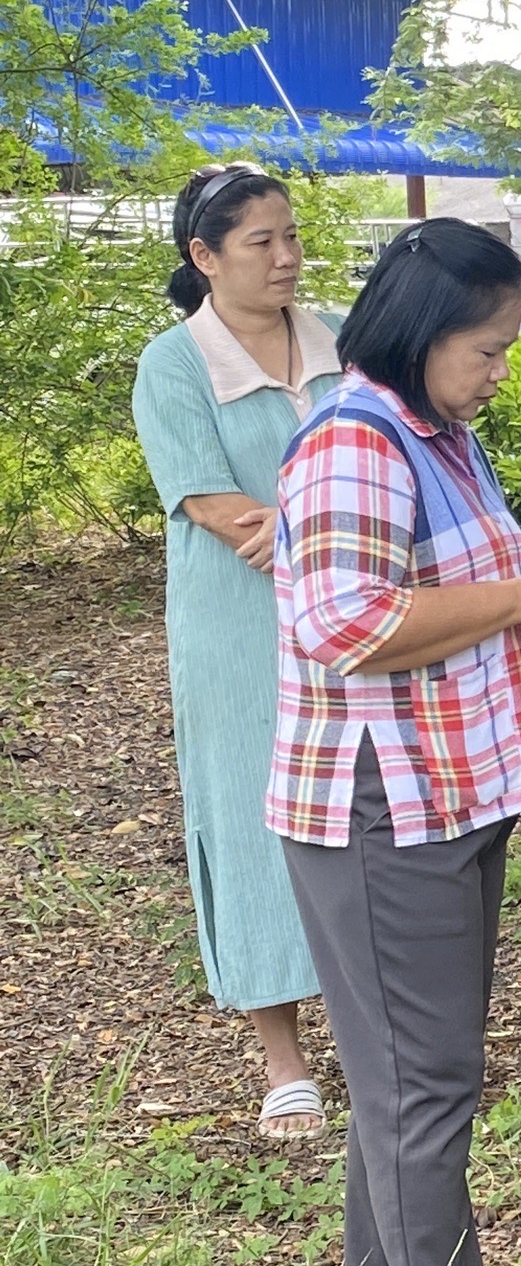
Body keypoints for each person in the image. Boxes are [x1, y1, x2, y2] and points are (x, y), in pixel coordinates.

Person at [272, 218, 521, 1266]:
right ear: (423, 331)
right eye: (485, 349)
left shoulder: (434, 433)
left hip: (448, 792)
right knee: (422, 1085)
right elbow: (344, 622)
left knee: (409, 1080)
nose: (499, 370)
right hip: (377, 809)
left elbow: (459, 590)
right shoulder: (354, 440)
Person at [130, 162, 345, 1138]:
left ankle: (373, 1022)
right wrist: (337, 535)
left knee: (362, 810)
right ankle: (284, 1060)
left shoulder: (341, 342)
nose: (287, 256)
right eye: (262, 242)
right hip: (241, 630)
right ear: (204, 257)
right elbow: (216, 506)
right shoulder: (174, 365)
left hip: (353, 617)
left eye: (291, 236)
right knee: (257, 815)